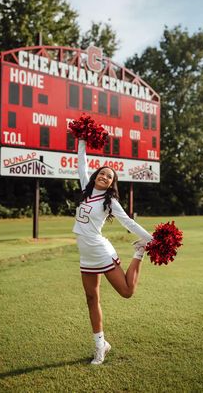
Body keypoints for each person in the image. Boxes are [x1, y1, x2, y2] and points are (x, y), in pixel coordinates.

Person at [73, 139, 153, 365]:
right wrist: (81, 140)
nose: (105, 177)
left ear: (111, 184)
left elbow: (129, 222)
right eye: (102, 173)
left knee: (127, 292)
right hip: (85, 255)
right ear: (96, 175)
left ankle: (139, 251)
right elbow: (81, 164)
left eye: (110, 177)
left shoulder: (110, 201)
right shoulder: (85, 190)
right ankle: (101, 345)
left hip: (100, 251)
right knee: (91, 298)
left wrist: (152, 240)